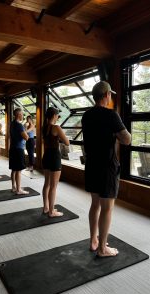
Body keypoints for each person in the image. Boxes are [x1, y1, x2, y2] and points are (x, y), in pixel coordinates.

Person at [81, 81, 131, 257]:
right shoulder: (111, 115)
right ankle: (103, 248)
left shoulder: (86, 116)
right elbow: (127, 139)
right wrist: (119, 132)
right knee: (107, 207)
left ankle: (94, 241)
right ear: (107, 95)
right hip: (107, 167)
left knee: (95, 204)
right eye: (111, 95)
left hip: (92, 165)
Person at [42, 107, 69, 217]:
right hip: (54, 157)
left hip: (46, 156)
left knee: (47, 184)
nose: (58, 117)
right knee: (53, 186)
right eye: (57, 115)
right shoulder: (56, 127)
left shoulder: (44, 127)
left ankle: (46, 207)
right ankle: (52, 211)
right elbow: (67, 142)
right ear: (54, 115)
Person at [9, 108, 29, 194]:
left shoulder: (12, 123)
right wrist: (26, 129)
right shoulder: (19, 125)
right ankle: (18, 189)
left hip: (13, 148)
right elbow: (26, 137)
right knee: (18, 170)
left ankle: (14, 187)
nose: (23, 116)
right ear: (18, 115)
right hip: (18, 149)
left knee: (14, 169)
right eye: (22, 114)